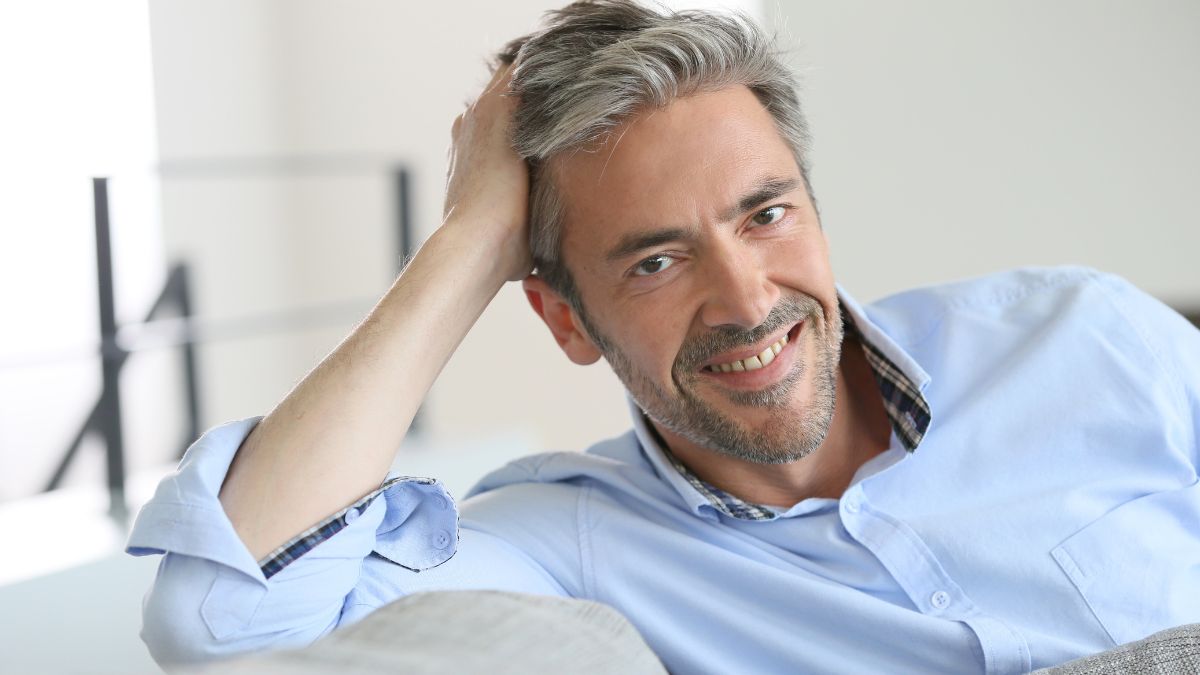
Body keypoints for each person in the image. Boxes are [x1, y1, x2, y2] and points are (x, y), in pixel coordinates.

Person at [127, 1, 1200, 672]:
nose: (744, 300)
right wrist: (468, 241)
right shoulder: (574, 540)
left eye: (766, 214)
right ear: (563, 318)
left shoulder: (1079, 338)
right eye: (655, 260)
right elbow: (225, 622)